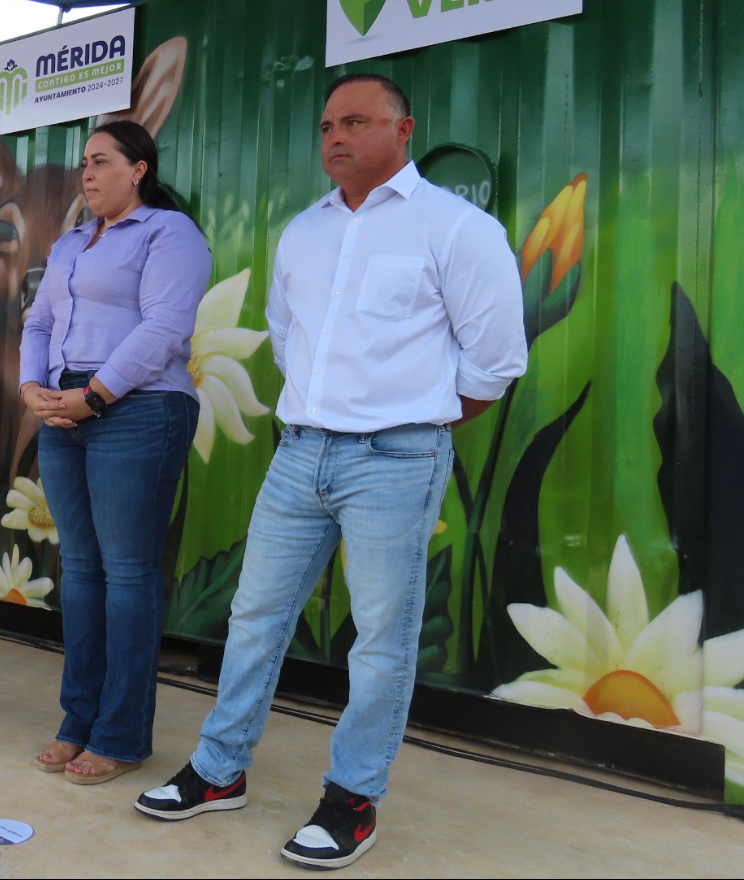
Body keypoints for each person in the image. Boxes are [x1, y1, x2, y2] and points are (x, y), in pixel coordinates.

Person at [134, 75, 529, 869]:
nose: (335, 137)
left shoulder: (456, 227)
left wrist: (409, 425)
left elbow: (493, 365)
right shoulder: (303, 232)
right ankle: (219, 771)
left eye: (355, 120)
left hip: (397, 457)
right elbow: (289, 338)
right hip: (300, 451)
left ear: (404, 128)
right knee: (254, 616)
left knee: (381, 637)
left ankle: (352, 797)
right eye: (326, 125)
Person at [20, 120, 210, 785]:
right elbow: (39, 321)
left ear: (139, 168)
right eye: (84, 164)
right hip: (64, 405)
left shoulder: (168, 233)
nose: (88, 174)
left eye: (102, 162)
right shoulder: (71, 242)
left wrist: (95, 396)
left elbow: (164, 327)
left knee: (127, 574)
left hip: (139, 406)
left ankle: (122, 733)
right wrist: (31, 386)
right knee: (81, 569)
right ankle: (79, 722)